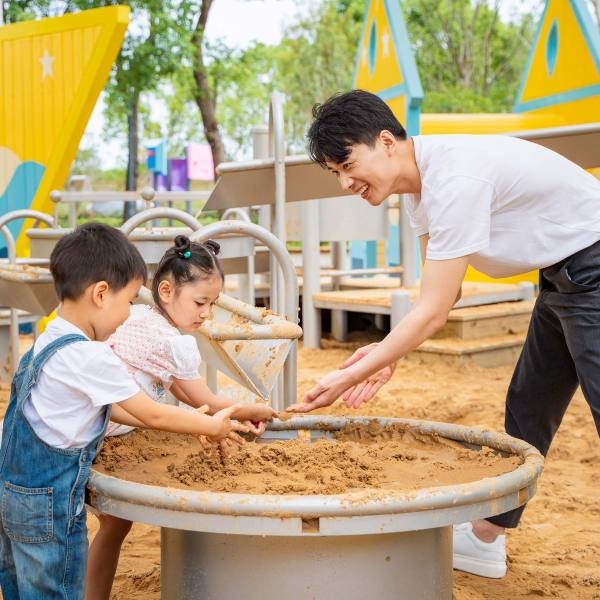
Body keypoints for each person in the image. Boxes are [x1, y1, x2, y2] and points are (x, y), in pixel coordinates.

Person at [288, 89, 600, 578]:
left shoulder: (454, 177)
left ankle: (483, 537)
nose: (346, 181)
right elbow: (440, 293)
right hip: (565, 273)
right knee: (529, 402)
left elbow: (433, 314)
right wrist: (390, 355)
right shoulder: (421, 188)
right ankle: (483, 539)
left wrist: (349, 378)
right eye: (335, 174)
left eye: (348, 164)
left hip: (593, 265)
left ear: (387, 142)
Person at [0, 223, 248, 600]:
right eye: (130, 300)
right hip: (48, 505)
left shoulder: (48, 339)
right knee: (54, 589)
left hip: (12, 492)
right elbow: (153, 415)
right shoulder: (91, 356)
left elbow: (118, 409)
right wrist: (209, 427)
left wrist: (200, 420)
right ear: (101, 294)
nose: (130, 314)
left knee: (19, 586)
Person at [86, 234, 275, 600]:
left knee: (113, 527)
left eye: (213, 304)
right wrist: (245, 409)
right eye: (200, 302)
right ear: (167, 290)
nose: (205, 313)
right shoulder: (172, 341)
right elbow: (199, 397)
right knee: (111, 527)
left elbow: (183, 393)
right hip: (105, 433)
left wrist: (244, 409)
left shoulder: (142, 319)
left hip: (100, 425)